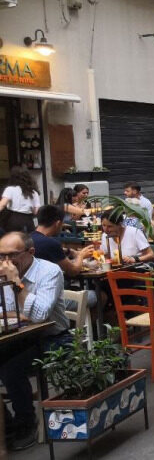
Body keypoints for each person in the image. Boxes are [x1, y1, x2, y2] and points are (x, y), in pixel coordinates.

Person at [0, 231, 71, 450]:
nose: (6, 262)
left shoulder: (50, 271)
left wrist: (16, 283)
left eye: (12, 256)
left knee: (10, 369)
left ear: (30, 252)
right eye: (1, 256)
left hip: (53, 339)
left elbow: (40, 315)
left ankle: (26, 423)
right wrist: (20, 315)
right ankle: (7, 425)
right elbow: (5, 312)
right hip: (16, 338)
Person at [32, 205, 95, 277]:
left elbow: (46, 249)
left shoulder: (28, 238)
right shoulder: (51, 243)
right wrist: (81, 256)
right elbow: (73, 271)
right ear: (58, 223)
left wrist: (69, 251)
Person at [0, 167, 41, 232]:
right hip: (29, 220)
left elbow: (2, 204)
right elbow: (36, 211)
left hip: (13, 219)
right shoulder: (34, 192)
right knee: (28, 239)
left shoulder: (10, 189)